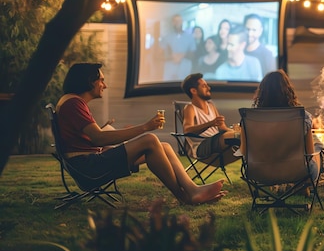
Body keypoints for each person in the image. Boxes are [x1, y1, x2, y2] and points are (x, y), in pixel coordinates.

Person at [55, 63, 227, 205]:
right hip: (89, 168)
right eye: (101, 80)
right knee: (150, 139)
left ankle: (191, 190)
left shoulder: (72, 102)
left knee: (164, 146)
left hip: (90, 161)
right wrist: (145, 127)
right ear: (89, 81)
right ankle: (186, 196)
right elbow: (98, 137)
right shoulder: (73, 104)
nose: (104, 85)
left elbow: (89, 138)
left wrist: (116, 134)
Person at [239, 70, 324, 178]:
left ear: (262, 92)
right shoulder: (302, 116)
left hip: (260, 173)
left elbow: (244, 152)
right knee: (318, 146)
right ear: (288, 91)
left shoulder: (250, 118)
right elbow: (309, 153)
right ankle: (305, 185)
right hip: (297, 172)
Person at [181, 73, 240, 165]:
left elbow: (222, 128)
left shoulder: (211, 106)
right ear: (193, 90)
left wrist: (237, 131)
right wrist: (210, 123)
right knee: (239, 137)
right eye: (204, 86)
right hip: (201, 147)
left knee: (243, 135)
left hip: (217, 143)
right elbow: (187, 130)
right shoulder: (190, 108)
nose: (208, 88)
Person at [160, 14, 195, 81]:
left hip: (185, 69)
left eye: (179, 21)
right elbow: (159, 55)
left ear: (182, 22)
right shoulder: (166, 37)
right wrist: (171, 57)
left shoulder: (190, 37)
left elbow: (193, 55)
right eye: (175, 21)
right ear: (172, 23)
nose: (177, 23)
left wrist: (182, 55)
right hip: (169, 69)